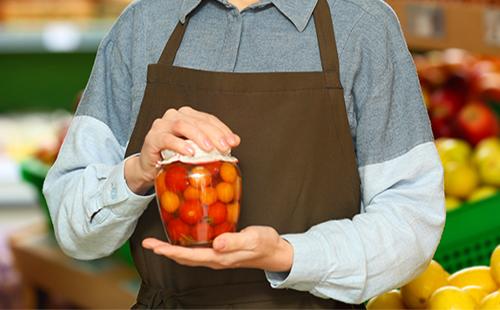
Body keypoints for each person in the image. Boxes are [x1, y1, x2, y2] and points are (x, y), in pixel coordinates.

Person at [43, 0, 445, 308]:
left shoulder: (362, 27)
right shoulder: (142, 24)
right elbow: (75, 230)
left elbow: (411, 219)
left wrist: (289, 255)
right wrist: (136, 172)